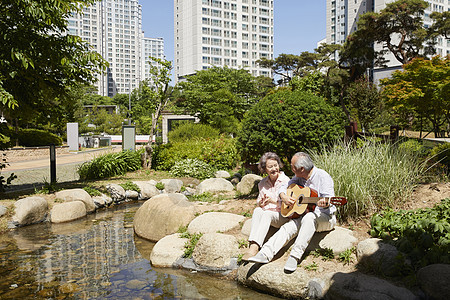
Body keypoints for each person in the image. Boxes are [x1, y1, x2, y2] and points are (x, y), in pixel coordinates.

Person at [248, 152, 337, 272]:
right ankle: (265, 253)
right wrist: (283, 196)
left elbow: (329, 201)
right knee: (288, 227)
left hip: (325, 217)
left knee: (309, 217)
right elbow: (284, 187)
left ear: (301, 169)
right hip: (304, 215)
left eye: (293, 167)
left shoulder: (323, 177)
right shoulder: (299, 177)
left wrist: (325, 204)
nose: (291, 168)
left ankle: (295, 256)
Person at [242, 152, 290, 261]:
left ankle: (255, 248)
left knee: (267, 213)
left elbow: (289, 205)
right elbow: (259, 201)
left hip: (281, 216)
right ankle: (253, 244)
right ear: (265, 169)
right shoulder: (262, 183)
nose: (274, 169)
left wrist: (274, 201)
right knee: (257, 210)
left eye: (275, 165)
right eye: (270, 167)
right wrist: (261, 203)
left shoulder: (286, 181)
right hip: (266, 214)